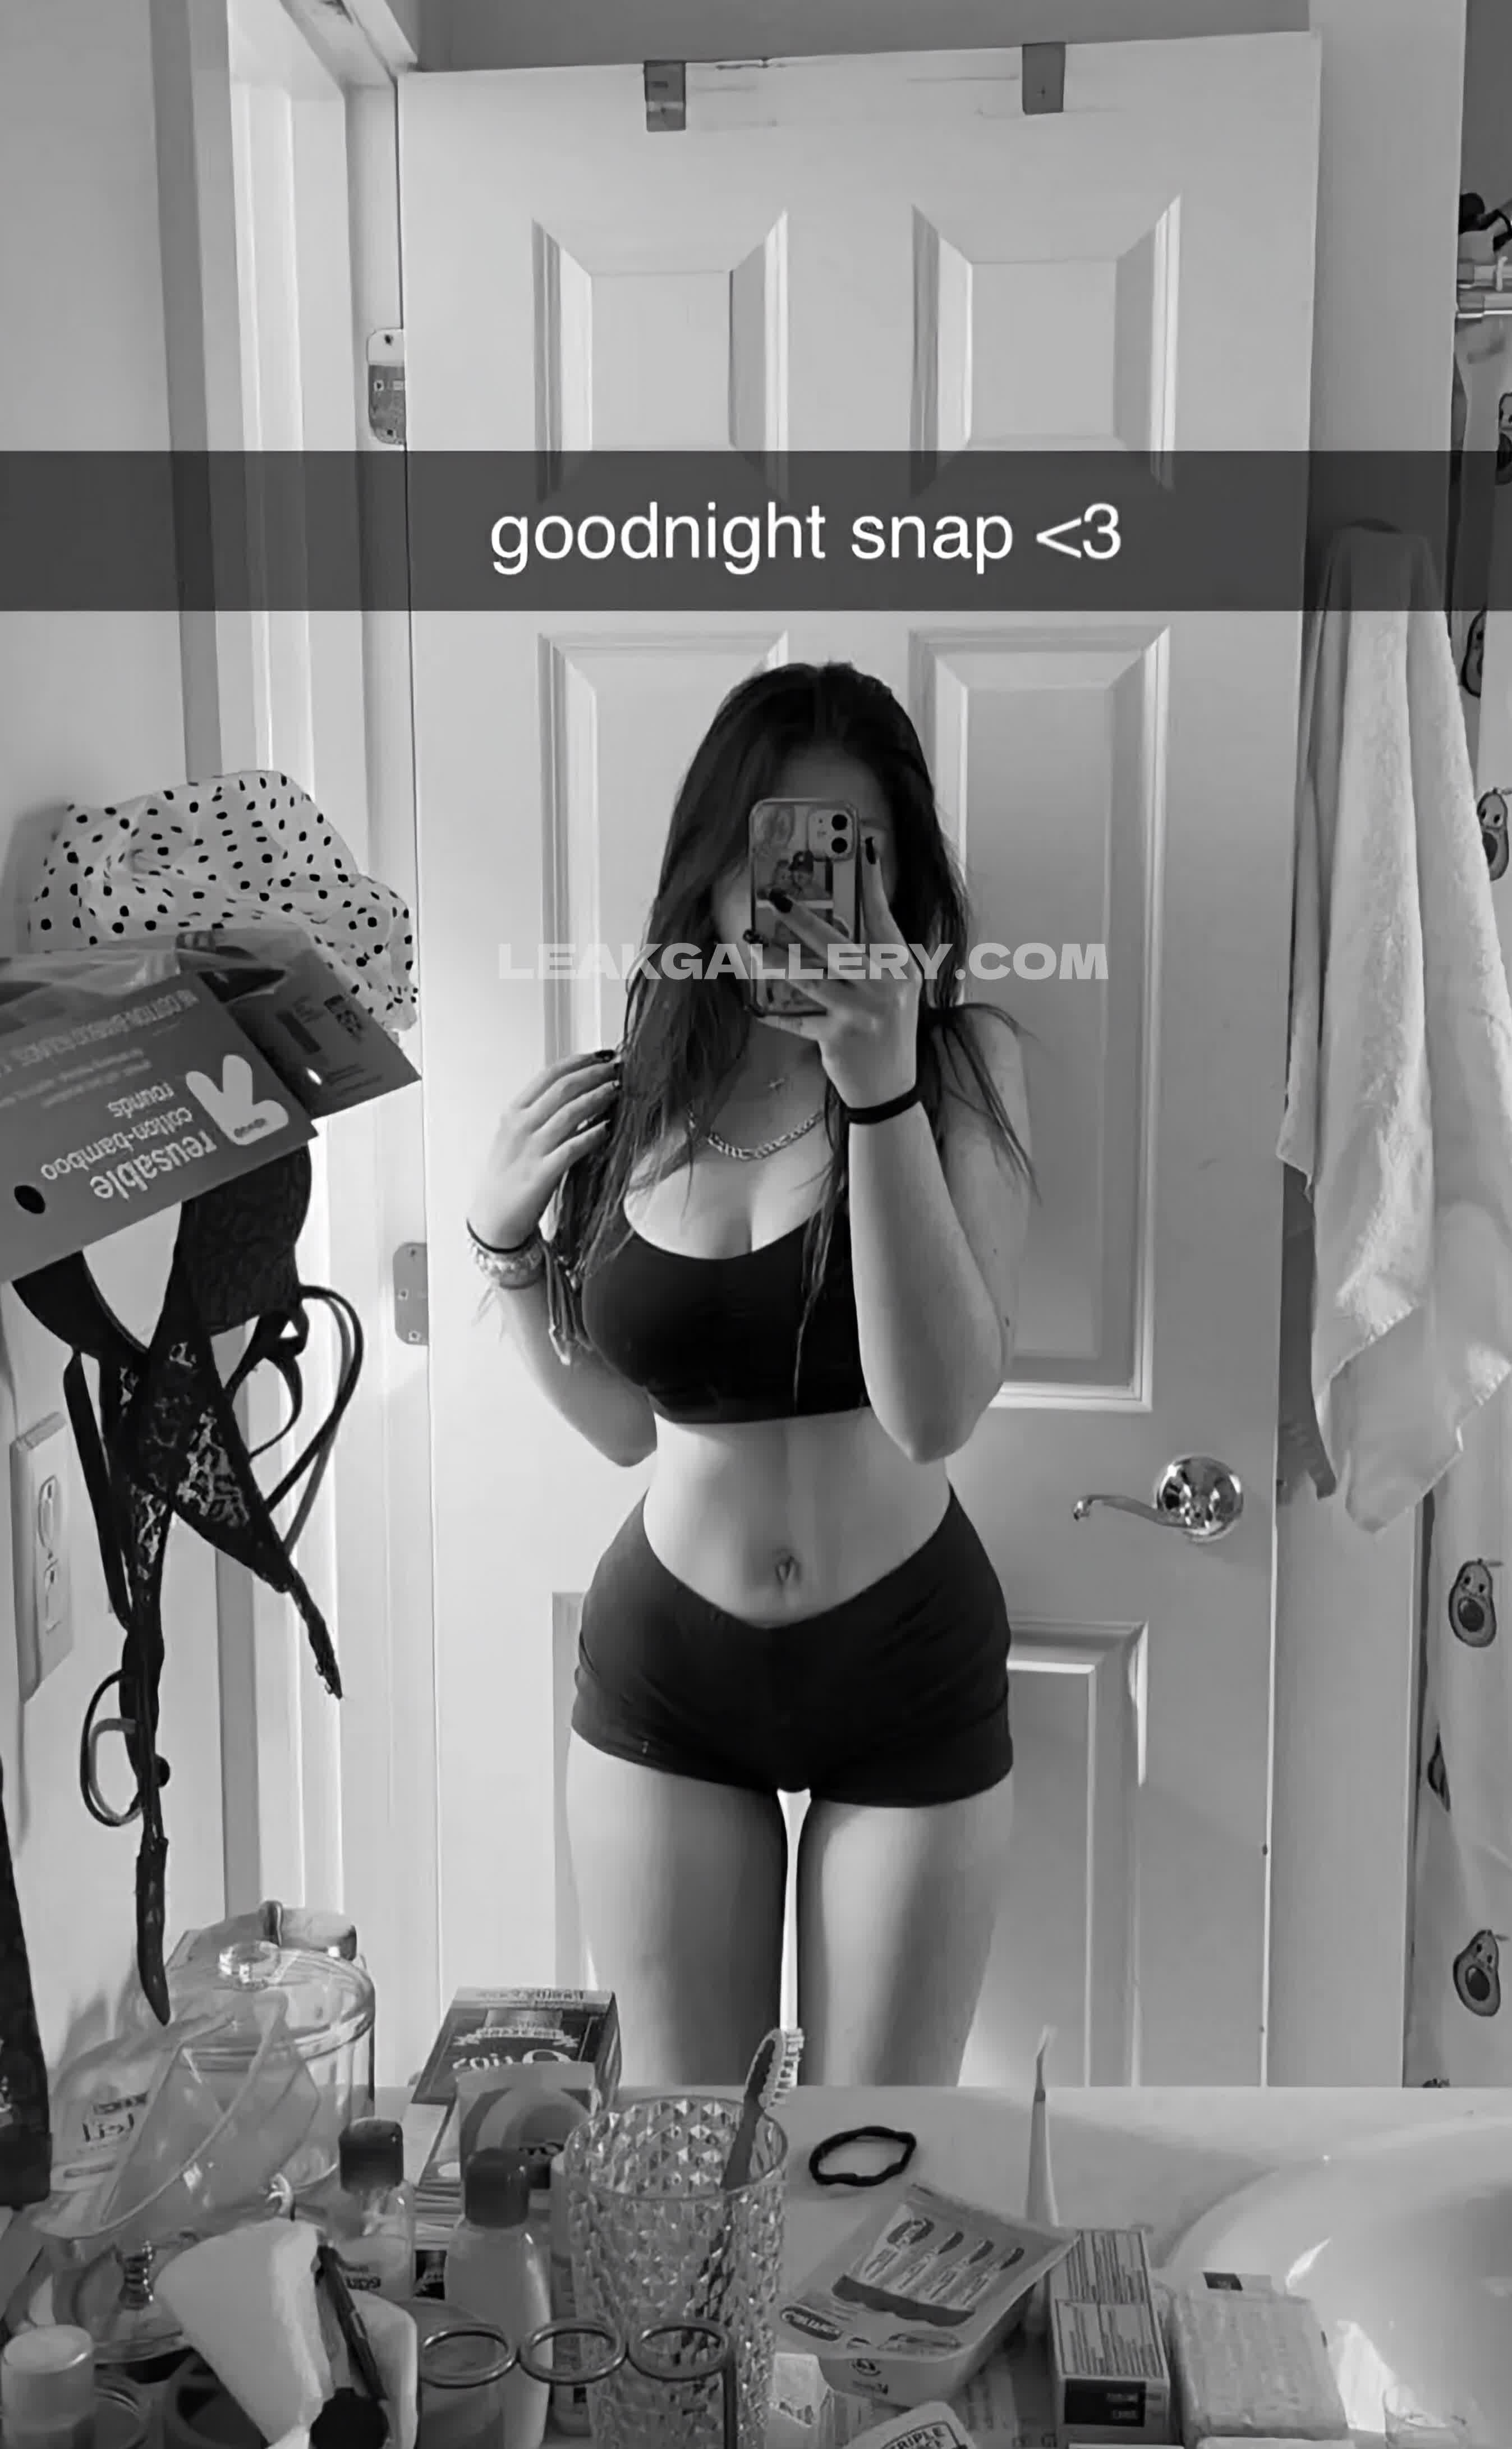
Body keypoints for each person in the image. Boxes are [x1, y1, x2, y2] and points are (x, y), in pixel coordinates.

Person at [468, 662, 1033, 2086]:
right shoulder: (632, 1096)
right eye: (772, 851)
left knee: (873, 2159)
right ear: (712, 872)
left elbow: (935, 1409)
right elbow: (621, 1427)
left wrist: (878, 1087)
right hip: (667, 1678)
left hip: (904, 1664)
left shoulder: (961, 1067)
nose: (807, 894)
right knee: (682, 2152)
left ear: (902, 881)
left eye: (855, 854)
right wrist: (503, 1248)